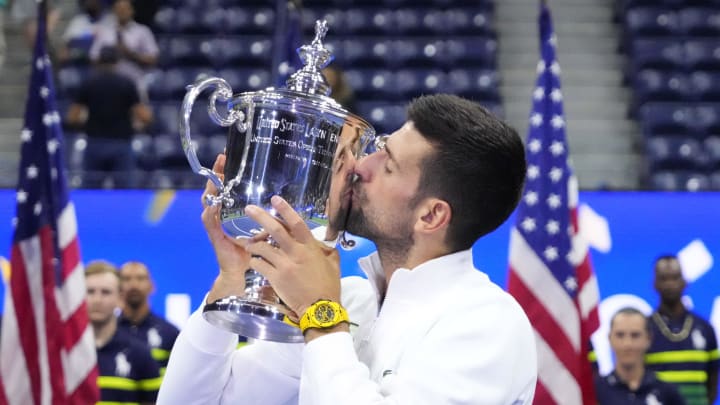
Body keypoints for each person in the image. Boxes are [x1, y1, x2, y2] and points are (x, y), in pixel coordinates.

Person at [158, 94, 538, 404]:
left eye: (387, 165)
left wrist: (320, 315)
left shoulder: (488, 323)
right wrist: (232, 283)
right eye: (379, 147)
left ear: (431, 216)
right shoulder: (351, 301)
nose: (358, 165)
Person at [65, 45, 152, 188]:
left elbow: (72, 117)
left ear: (98, 61)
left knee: (91, 193)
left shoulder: (88, 83)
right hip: (121, 144)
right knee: (124, 194)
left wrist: (86, 122)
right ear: (117, 61)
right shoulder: (126, 83)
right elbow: (145, 116)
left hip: (94, 143)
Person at [85, 260, 161, 404]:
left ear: (120, 298)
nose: (97, 299)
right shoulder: (64, 355)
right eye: (90, 291)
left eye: (106, 292)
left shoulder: (140, 355)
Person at [646, 255, 719, 405]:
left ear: (684, 282)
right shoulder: (644, 329)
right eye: (664, 279)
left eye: (674, 278)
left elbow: (713, 381)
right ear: (655, 284)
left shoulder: (705, 328)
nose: (670, 284)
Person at [595, 307, 685, 404]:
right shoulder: (596, 390)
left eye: (635, 335)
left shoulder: (667, 392)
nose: (627, 344)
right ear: (609, 339)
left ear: (648, 339)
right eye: (620, 335)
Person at [118, 261, 180, 376]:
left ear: (152, 286)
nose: (134, 285)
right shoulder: (109, 332)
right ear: (117, 287)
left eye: (140, 278)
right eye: (126, 279)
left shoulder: (170, 333)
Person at [89, 0, 158, 97]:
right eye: (119, 9)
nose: (122, 12)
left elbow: (152, 59)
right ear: (114, 11)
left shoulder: (142, 31)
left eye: (125, 9)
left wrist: (130, 54)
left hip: (136, 86)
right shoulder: (105, 32)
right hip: (109, 88)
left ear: (132, 11)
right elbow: (93, 58)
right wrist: (110, 56)